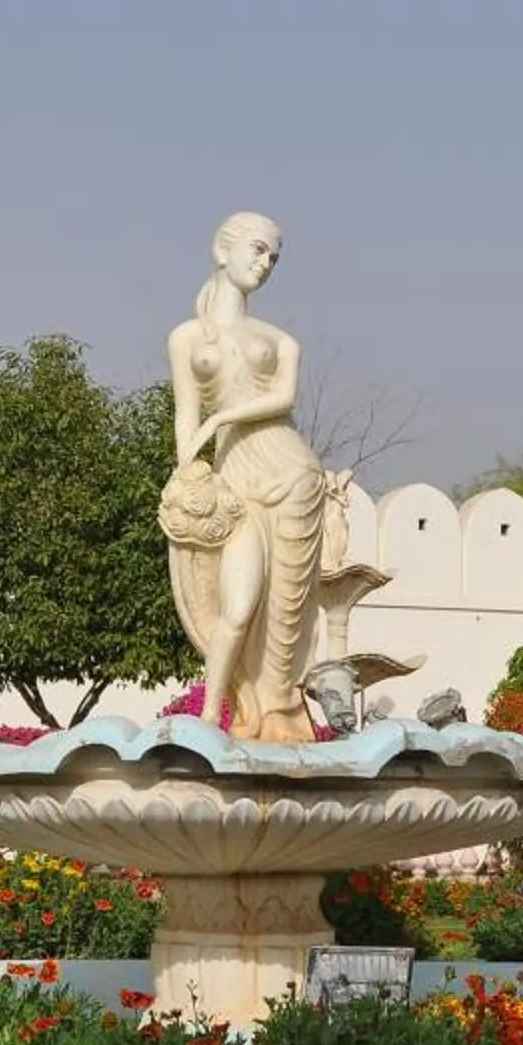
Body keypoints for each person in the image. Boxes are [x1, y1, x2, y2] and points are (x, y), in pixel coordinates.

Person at [163, 211, 326, 743]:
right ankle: (215, 716)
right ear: (221, 250)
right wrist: (186, 470)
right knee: (236, 607)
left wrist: (221, 419)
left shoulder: (282, 341)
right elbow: (186, 412)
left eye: (273, 257)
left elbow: (282, 399)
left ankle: (276, 707)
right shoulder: (186, 337)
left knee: (286, 602)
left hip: (290, 470)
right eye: (257, 250)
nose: (265, 264)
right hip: (234, 482)